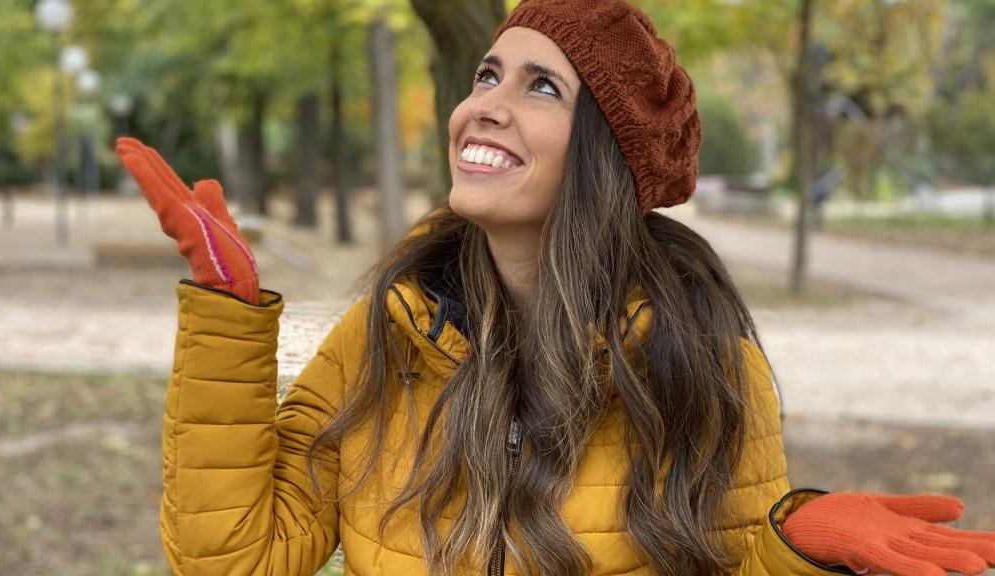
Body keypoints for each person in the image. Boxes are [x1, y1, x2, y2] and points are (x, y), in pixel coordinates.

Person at [114, 1, 995, 574]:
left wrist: (796, 544)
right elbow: (233, 557)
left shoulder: (699, 361)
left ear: (605, 158)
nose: (485, 103)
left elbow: (731, 561)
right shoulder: (388, 335)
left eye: (541, 86)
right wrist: (228, 313)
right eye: (487, 74)